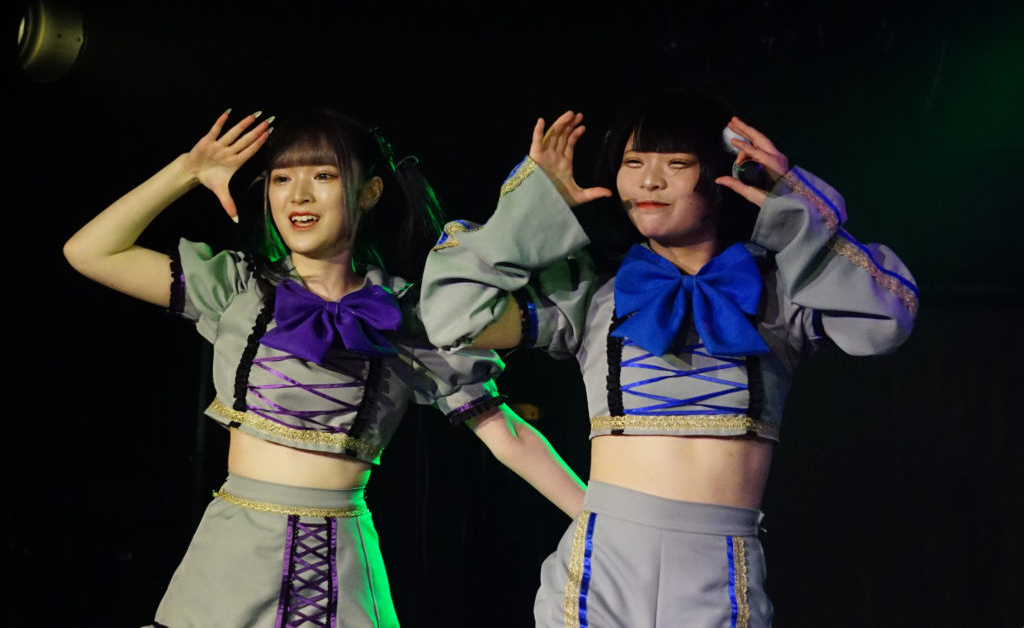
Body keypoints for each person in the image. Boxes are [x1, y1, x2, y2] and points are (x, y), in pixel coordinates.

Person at [63, 108, 585, 627]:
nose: (298, 195)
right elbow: (90, 252)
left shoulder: (406, 315)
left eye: (323, 176)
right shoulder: (240, 289)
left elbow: (508, 435)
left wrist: (599, 522)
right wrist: (188, 170)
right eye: (282, 178)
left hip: (340, 565)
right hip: (231, 557)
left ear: (370, 191)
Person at [419, 91, 918, 627]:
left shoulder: (777, 292)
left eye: (676, 164)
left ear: (725, 173)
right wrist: (529, 214)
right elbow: (451, 318)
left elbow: (886, 321)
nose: (649, 182)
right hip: (600, 567)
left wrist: (794, 207)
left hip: (719, 570)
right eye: (634, 163)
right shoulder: (594, 291)